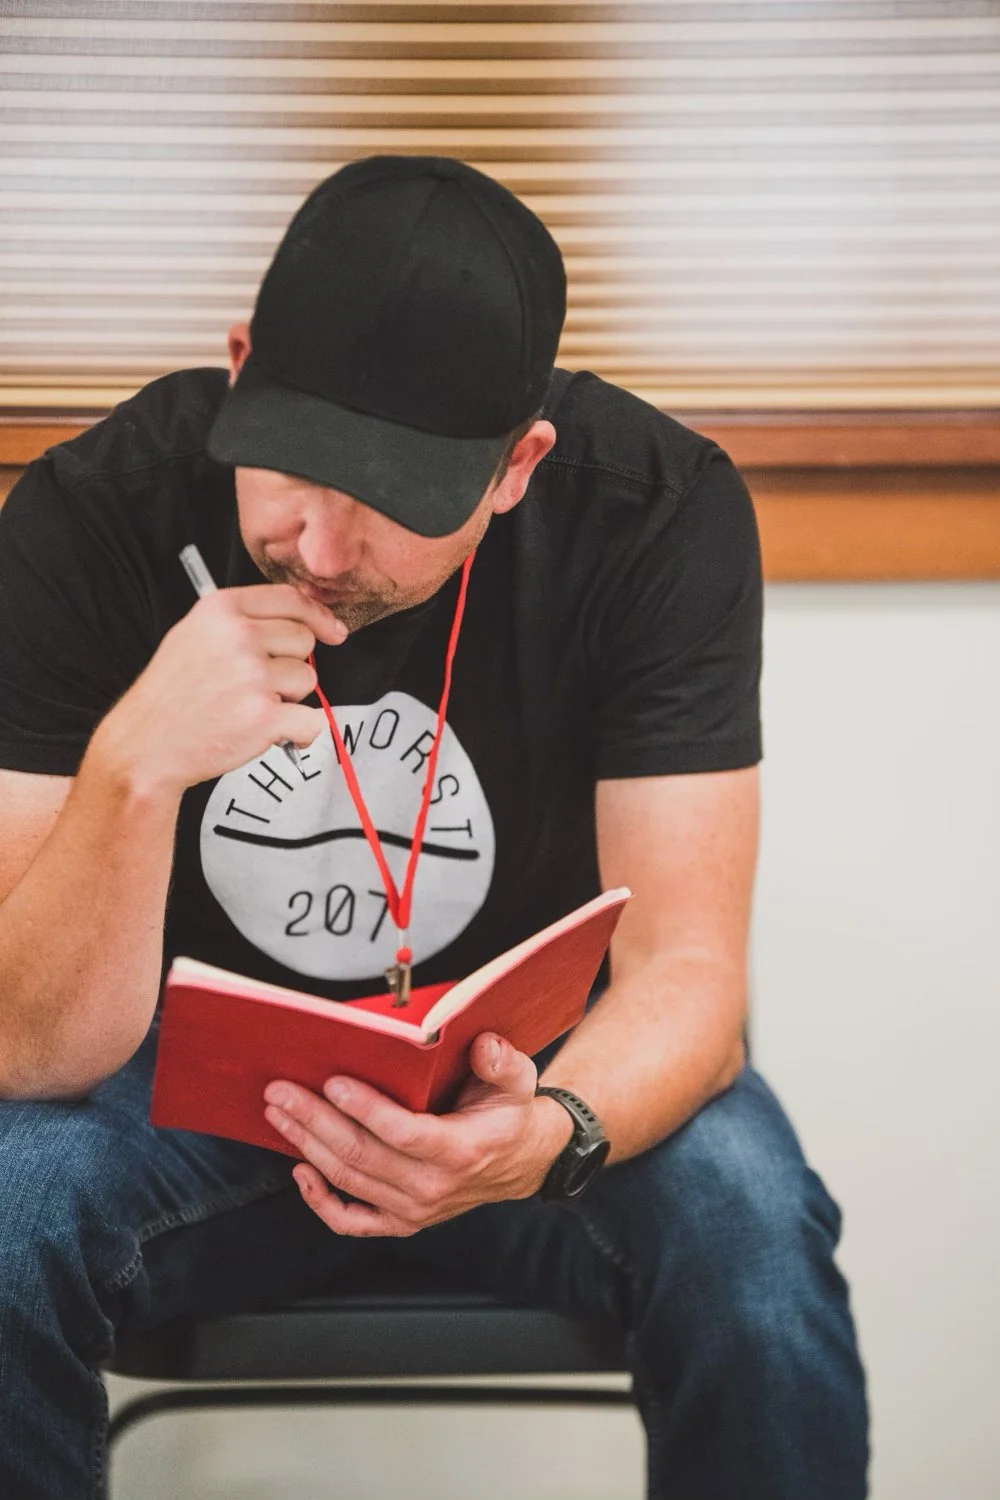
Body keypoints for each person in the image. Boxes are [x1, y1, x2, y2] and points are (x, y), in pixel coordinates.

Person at [0, 155, 868, 1499]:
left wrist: (549, 1133)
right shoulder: (90, 512)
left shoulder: (657, 510)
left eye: (397, 497)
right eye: (292, 467)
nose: (326, 550)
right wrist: (134, 764)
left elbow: (692, 978)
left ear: (517, 465)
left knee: (752, 1235)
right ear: (240, 371)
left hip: (533, 1080)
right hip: (183, 1098)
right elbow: (22, 1046)